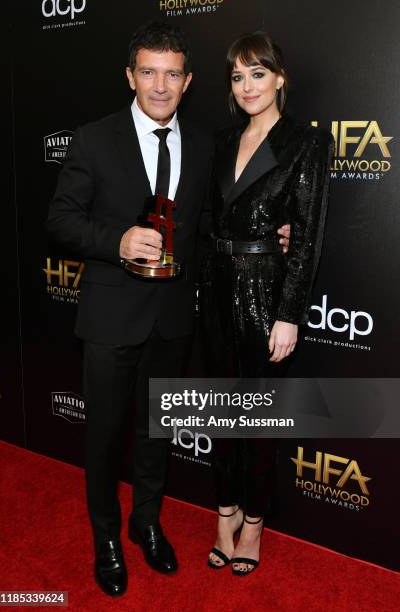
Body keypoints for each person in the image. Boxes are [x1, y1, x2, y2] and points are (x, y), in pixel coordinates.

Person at [48, 21, 290, 596]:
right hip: (110, 318)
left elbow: (212, 227)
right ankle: (106, 536)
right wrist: (117, 241)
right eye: (149, 72)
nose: (161, 85)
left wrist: (266, 235)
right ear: (130, 76)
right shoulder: (93, 138)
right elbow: (59, 221)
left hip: (174, 317)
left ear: (188, 81)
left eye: (173, 73)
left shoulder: (207, 144)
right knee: (105, 435)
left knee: (156, 433)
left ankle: (146, 523)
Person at [200, 31, 333, 575]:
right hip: (214, 290)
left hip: (266, 292)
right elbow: (209, 217)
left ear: (279, 78)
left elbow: (306, 235)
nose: (247, 85)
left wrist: (288, 314)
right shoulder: (222, 139)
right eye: (238, 76)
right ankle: (223, 513)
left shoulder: (306, 143)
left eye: (258, 73)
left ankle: (253, 523)